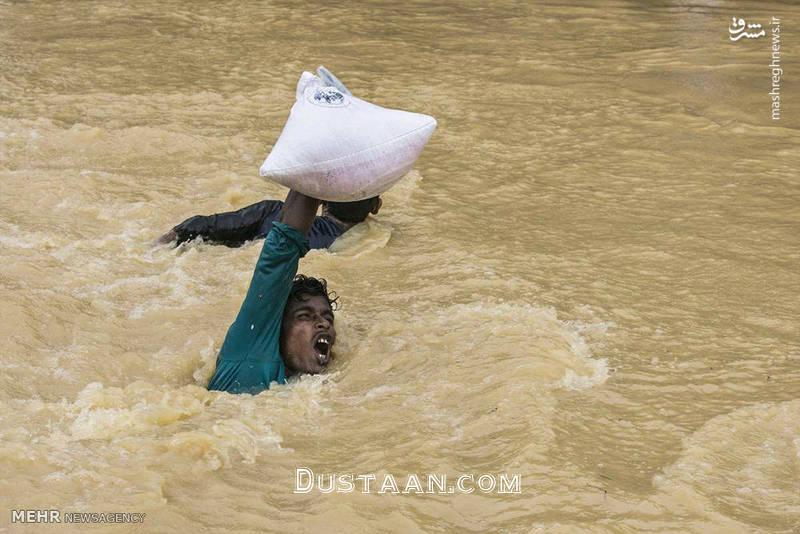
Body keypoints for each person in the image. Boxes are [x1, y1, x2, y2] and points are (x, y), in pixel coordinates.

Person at [207, 189, 342, 394]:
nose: (323, 323)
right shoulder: (251, 351)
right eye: (305, 315)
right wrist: (315, 179)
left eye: (328, 318)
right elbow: (279, 253)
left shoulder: (304, 388)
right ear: (277, 328)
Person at [156, 196, 382, 249]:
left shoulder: (273, 212)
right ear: (376, 206)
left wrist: (155, 246)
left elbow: (205, 225)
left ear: (321, 198)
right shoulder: (368, 243)